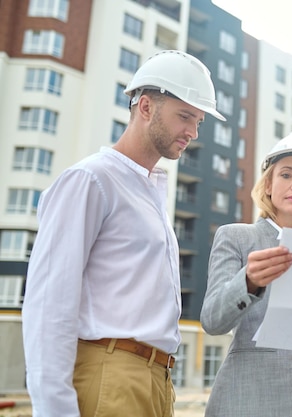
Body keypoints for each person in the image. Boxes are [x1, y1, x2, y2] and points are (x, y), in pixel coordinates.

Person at [22, 50, 226, 417]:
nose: (192, 133)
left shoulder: (148, 192)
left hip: (156, 382)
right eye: (184, 117)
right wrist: (54, 409)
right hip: (110, 375)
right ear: (145, 107)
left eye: (198, 122)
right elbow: (49, 304)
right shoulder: (91, 180)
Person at [200, 131, 292, 417]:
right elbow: (212, 320)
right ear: (268, 183)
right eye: (285, 175)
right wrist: (248, 282)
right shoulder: (236, 238)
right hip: (247, 402)